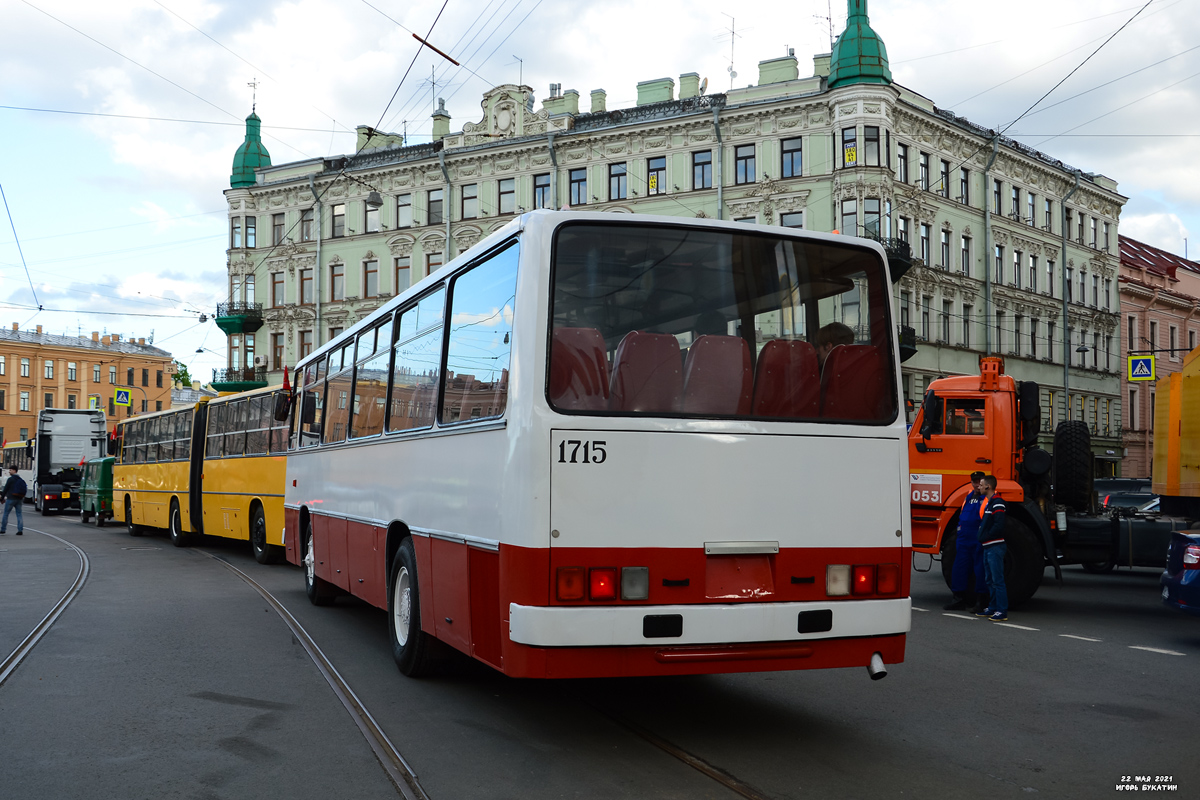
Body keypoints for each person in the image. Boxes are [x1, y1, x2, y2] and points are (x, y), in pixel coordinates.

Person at [943, 471, 987, 610]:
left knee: (980, 569)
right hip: (963, 539)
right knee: (959, 568)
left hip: (978, 538)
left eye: (979, 481)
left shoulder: (989, 497)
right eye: (974, 481)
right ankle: (958, 598)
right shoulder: (968, 496)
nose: (976, 484)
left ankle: (980, 602)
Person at [974, 475, 1008, 621]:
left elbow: (999, 525)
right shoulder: (990, 502)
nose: (978, 487)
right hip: (988, 546)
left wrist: (985, 536)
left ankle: (1001, 611)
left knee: (997, 580)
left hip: (995, 547)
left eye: (981, 485)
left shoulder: (997, 503)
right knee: (989, 579)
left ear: (988, 486)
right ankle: (993, 607)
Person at [0, 465, 25, 535]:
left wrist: (2, 498)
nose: (9, 471)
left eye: (10, 470)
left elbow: (5, 489)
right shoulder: (20, 479)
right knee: (19, 514)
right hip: (19, 499)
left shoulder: (10, 479)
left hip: (11, 498)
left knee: (6, 514)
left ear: (14, 471)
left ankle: (3, 529)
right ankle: (20, 530)